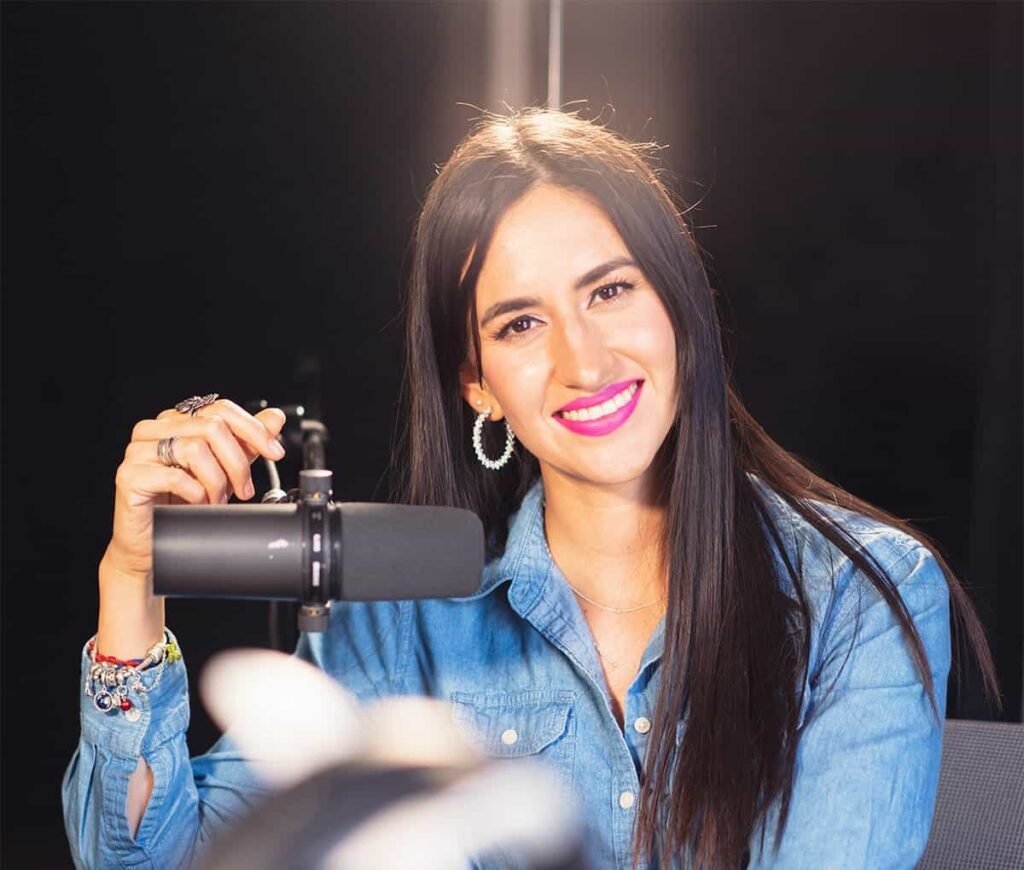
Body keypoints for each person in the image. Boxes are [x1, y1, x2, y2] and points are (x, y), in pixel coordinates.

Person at [62, 107, 999, 869]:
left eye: (610, 291)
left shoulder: (857, 595)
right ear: (476, 382)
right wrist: (132, 576)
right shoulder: (403, 626)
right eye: (520, 324)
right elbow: (150, 860)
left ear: (678, 305)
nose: (583, 362)